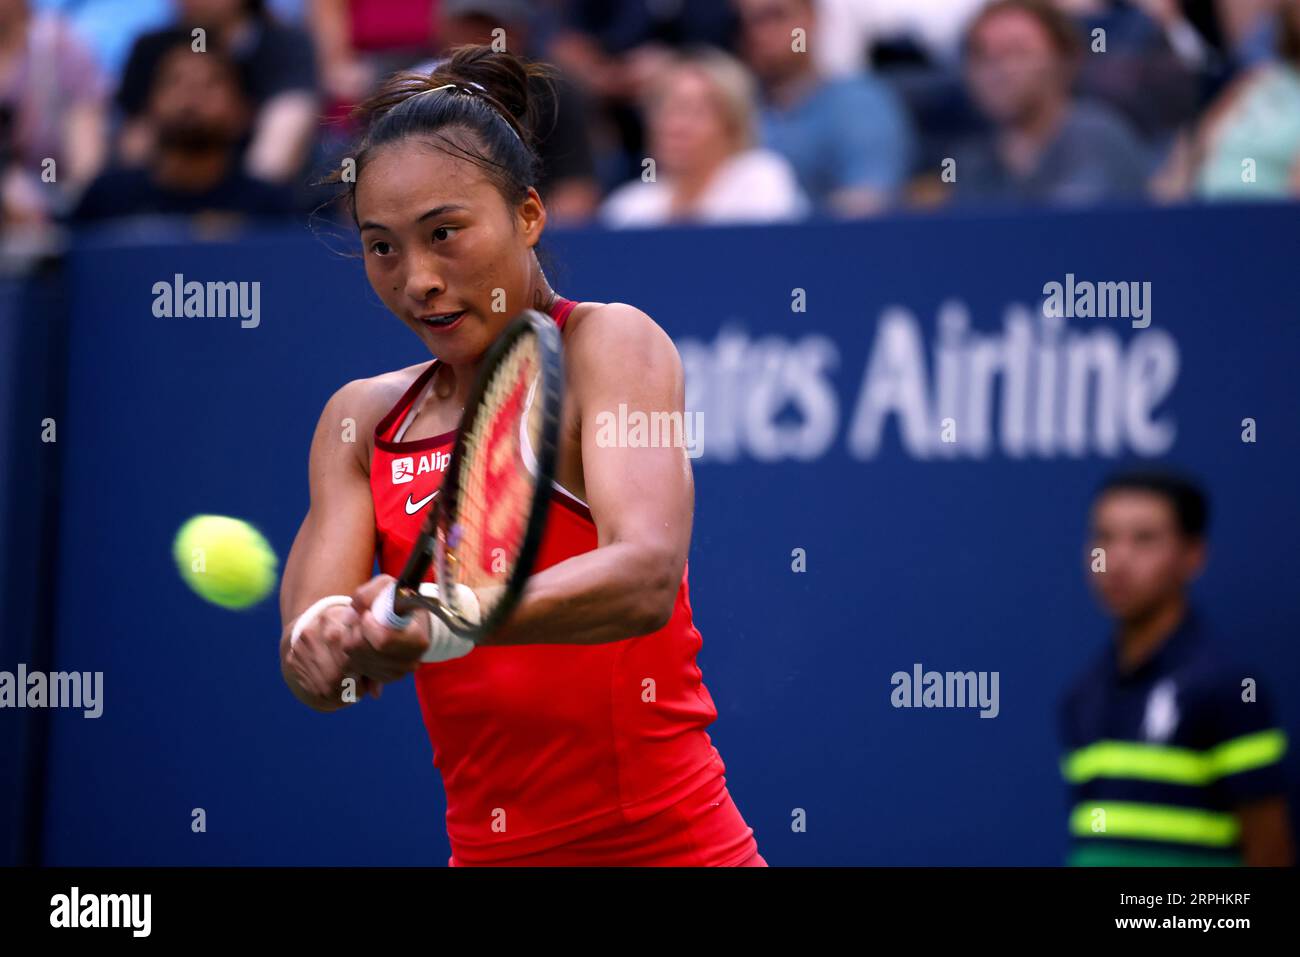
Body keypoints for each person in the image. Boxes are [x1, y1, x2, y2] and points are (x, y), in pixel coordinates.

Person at [278, 44, 766, 867]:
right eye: (383, 246)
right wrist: (329, 640)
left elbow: (644, 573)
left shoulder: (610, 344)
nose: (418, 279)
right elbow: (321, 673)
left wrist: (452, 615)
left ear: (529, 215)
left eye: (446, 233)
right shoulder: (361, 421)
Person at [1060, 470, 1293, 866]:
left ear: (1193, 555)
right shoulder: (1081, 697)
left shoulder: (1230, 687)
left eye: (1145, 539)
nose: (1117, 560)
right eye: (1104, 538)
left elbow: (1270, 852)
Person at [952, 0, 1150, 206]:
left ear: (1064, 60)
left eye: (1016, 52)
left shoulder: (1097, 137)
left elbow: (1072, 228)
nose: (997, 70)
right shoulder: (971, 162)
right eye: (982, 55)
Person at [72, 39, 295, 223]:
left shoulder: (271, 209)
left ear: (243, 112)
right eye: (175, 82)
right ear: (149, 105)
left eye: (210, 84)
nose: (191, 96)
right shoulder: (105, 200)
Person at [736, 0, 912, 218]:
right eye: (748, 21)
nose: (760, 32)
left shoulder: (857, 104)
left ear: (812, 19)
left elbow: (867, 203)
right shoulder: (734, 109)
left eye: (776, 16)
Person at [600, 46, 808, 227]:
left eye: (695, 112)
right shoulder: (628, 210)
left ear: (732, 124)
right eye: (665, 110)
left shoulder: (761, 179)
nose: (675, 126)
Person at [116, 0, 318, 185]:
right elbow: (135, 142)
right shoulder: (151, 47)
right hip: (162, 192)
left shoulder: (285, 45)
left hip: (251, 199)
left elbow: (280, 145)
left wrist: (248, 202)